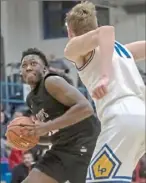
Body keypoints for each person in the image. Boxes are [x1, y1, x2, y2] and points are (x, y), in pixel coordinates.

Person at [64, 1, 145, 183]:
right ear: (95, 24)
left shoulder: (72, 49)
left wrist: (105, 76)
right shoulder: (120, 50)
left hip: (122, 117)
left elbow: (106, 31)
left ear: (70, 31)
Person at [19, 48, 101, 183]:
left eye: (33, 64)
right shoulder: (31, 100)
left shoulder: (51, 82)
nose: (28, 67)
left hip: (85, 145)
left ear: (45, 70)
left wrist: (46, 127)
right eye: (24, 65)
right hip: (61, 149)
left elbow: (86, 108)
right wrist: (33, 138)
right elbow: (57, 133)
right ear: (21, 73)